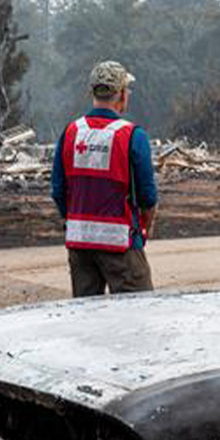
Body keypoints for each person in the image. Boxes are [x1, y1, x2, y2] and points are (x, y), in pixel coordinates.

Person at [53, 60, 159, 295]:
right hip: (121, 243)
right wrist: (145, 228)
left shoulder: (71, 132)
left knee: (87, 319)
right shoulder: (132, 135)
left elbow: (58, 189)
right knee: (137, 314)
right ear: (121, 94)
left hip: (79, 244)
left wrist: (70, 219)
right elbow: (147, 196)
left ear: (93, 92)